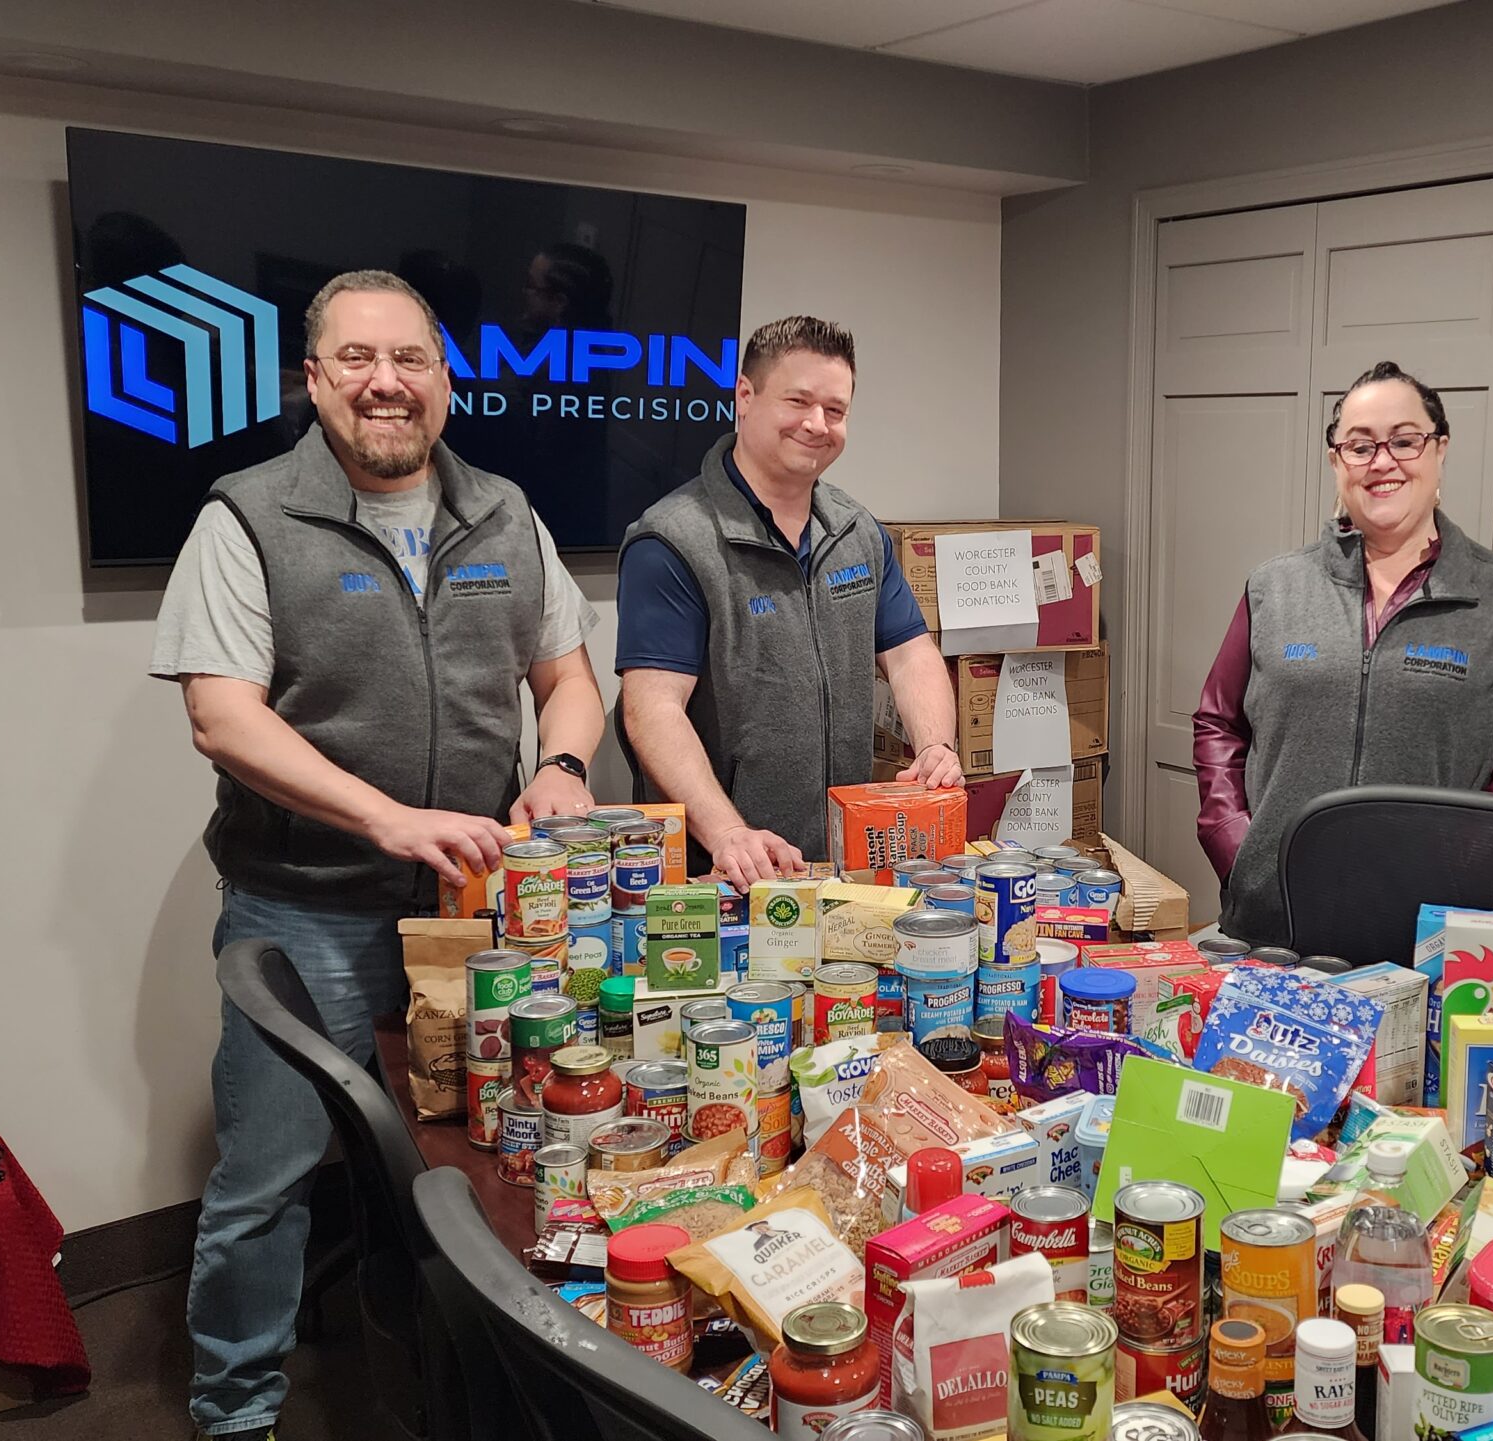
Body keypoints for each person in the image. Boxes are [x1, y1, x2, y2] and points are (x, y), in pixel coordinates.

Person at [149, 269, 606, 1441]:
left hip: (476, 912)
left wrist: (559, 767)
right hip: (308, 911)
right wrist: (383, 816)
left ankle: (458, 1382)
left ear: (445, 380)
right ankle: (237, 1408)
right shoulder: (245, 515)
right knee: (269, 1179)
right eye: (356, 360)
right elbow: (223, 715)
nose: (385, 383)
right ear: (314, 380)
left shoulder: (505, 511)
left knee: (474, 1159)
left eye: (408, 359)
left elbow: (567, 676)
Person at [1193, 361, 1493, 947]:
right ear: (1337, 462)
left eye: (1404, 441)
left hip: (1427, 931)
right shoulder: (1274, 587)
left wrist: (1463, 867)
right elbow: (1218, 720)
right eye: (1360, 446)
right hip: (1274, 916)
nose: (1382, 461)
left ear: (1439, 450)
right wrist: (1233, 838)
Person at [614, 315, 961, 886]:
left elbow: (909, 652)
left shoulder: (856, 531)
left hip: (843, 862)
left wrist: (936, 746)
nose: (816, 424)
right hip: (724, 870)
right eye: (797, 400)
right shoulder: (674, 541)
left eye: (836, 410)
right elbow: (652, 710)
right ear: (745, 396)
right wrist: (727, 833)